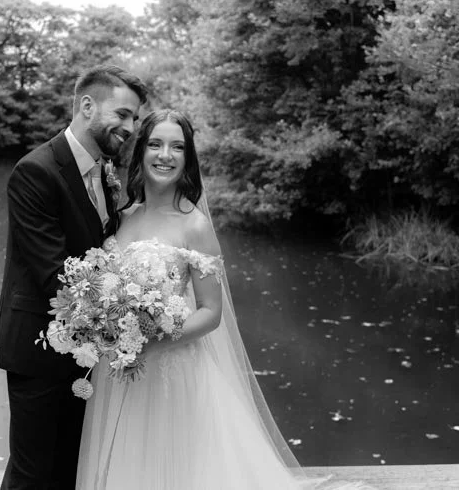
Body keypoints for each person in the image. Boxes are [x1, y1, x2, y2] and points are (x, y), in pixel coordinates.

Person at [75, 109, 373, 489]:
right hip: (121, 370)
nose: (165, 154)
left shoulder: (194, 225)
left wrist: (151, 338)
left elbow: (211, 313)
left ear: (187, 159)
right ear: (141, 152)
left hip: (171, 370)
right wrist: (103, 324)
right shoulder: (122, 216)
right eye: (155, 144)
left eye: (177, 147)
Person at [0, 65, 148, 490]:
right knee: (31, 475)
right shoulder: (35, 171)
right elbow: (55, 275)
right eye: (122, 114)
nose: (130, 127)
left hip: (87, 352)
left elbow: (101, 245)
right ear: (87, 105)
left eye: (134, 118)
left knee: (69, 471)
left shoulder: (105, 171)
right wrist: (133, 317)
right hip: (39, 349)